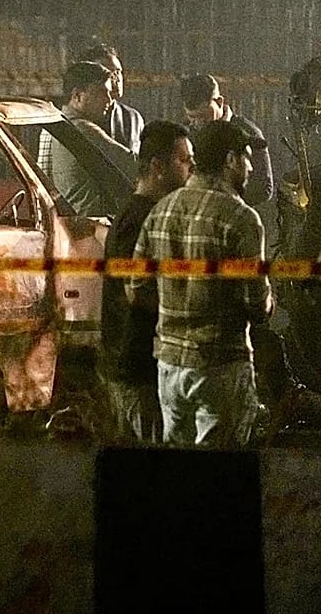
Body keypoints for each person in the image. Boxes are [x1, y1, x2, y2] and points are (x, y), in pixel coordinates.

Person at [132, 119, 273, 448]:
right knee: (218, 476)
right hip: (219, 366)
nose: (250, 167)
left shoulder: (161, 210)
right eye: (247, 158)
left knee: (175, 470)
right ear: (230, 161)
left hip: (168, 368)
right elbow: (257, 306)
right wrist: (267, 302)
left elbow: (137, 289)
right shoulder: (241, 218)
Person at [101, 120, 194, 441]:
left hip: (145, 365)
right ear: (157, 167)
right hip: (135, 367)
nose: (191, 168)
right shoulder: (137, 218)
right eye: (183, 160)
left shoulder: (150, 212)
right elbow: (134, 294)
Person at [37, 60, 135, 217]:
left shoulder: (53, 126)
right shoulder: (82, 129)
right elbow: (131, 164)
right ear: (77, 96)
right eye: (102, 93)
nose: (109, 100)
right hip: (90, 227)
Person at [179, 72, 273, 205]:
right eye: (192, 117)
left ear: (219, 102)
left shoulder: (248, 133)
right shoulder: (186, 134)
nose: (197, 123)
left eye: (203, 116)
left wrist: (220, 202)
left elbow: (263, 188)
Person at [78, 42, 145, 155]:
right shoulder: (80, 117)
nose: (117, 79)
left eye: (118, 72)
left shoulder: (133, 117)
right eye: (109, 74)